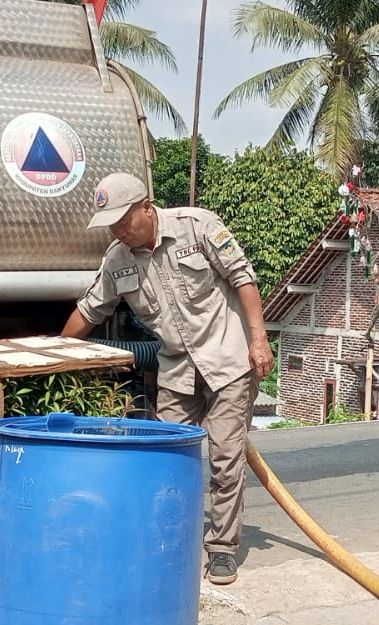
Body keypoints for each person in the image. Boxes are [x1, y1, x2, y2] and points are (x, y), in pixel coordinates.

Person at [61, 172, 275, 586]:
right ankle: (170, 540)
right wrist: (54, 350)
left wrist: (259, 340)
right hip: (177, 370)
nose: (120, 231)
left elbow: (244, 278)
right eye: (112, 225)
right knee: (166, 457)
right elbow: (90, 311)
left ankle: (221, 549)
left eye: (125, 221)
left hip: (229, 361)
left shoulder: (198, 226)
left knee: (225, 460)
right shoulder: (117, 260)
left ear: (146, 207)